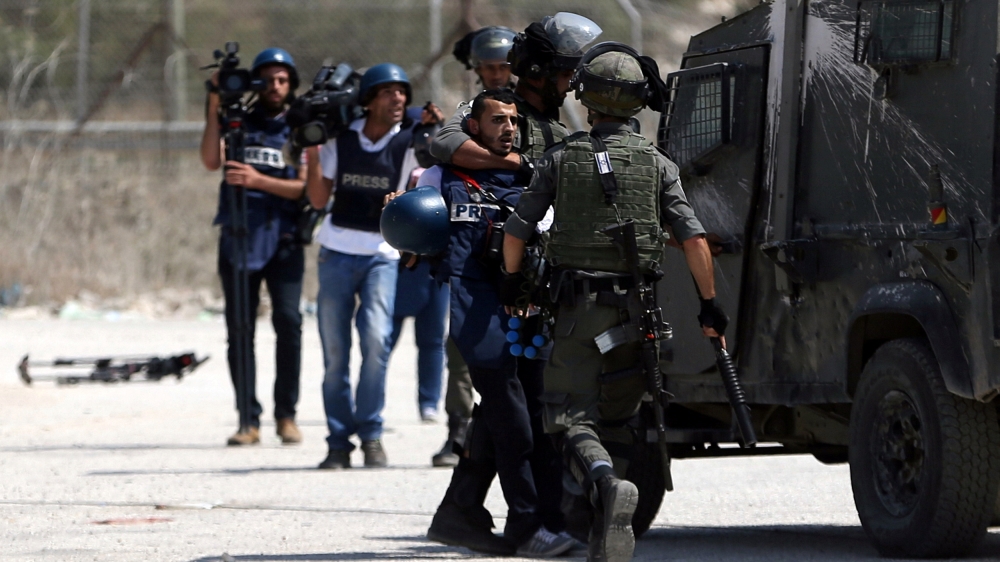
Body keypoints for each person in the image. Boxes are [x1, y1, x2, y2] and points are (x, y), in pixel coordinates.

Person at [501, 46, 729, 562]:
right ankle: (607, 526)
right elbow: (694, 241)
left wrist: (512, 285)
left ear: (586, 96)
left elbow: (517, 233)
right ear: (637, 103)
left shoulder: (562, 158)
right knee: (621, 419)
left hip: (578, 312)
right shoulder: (658, 164)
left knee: (570, 419)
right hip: (638, 312)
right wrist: (709, 308)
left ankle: (604, 483)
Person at [385, 88, 574, 557]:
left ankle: (539, 521)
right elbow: (410, 235)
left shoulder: (536, 180)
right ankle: (526, 530)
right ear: (474, 127)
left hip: (529, 313)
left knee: (538, 418)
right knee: (513, 424)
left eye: (512, 120)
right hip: (479, 316)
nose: (508, 128)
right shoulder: (439, 176)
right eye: (497, 121)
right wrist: (399, 213)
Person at [427, 12, 602, 470]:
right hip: (490, 278)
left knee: (513, 398)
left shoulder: (561, 133)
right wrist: (517, 165)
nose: (570, 84)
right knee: (510, 398)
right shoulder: (496, 113)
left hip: (533, 281)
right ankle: (523, 515)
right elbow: (444, 144)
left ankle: (461, 511)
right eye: (565, 74)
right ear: (540, 71)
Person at [305, 63, 431, 469]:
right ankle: (339, 441)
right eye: (387, 92)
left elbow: (422, 184)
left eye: (402, 92)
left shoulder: (411, 141)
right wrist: (309, 147)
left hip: (381, 253)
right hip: (337, 249)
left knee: (376, 341)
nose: (397, 99)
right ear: (369, 100)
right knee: (335, 351)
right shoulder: (341, 139)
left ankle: (372, 433)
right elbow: (319, 198)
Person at [200, 47, 305, 447]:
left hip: (284, 239)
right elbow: (211, 160)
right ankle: (248, 418)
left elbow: (306, 188)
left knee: (289, 324)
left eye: (282, 80)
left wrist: (259, 180)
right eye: (267, 79)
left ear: (291, 84)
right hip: (239, 237)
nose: (274, 87)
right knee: (240, 329)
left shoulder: (300, 126)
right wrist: (213, 103)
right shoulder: (237, 121)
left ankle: (286, 415)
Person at [428, 23, 520, 469]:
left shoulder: (533, 110)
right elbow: (444, 144)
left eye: (505, 66)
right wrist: (515, 163)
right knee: (463, 349)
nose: (498, 74)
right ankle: (459, 430)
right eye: (489, 67)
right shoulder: (470, 111)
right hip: (478, 243)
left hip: (525, 246)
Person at [453, 26, 517, 90]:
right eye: (490, 68)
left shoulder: (524, 99)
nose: (497, 76)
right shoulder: (474, 100)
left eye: (503, 67)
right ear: (478, 69)